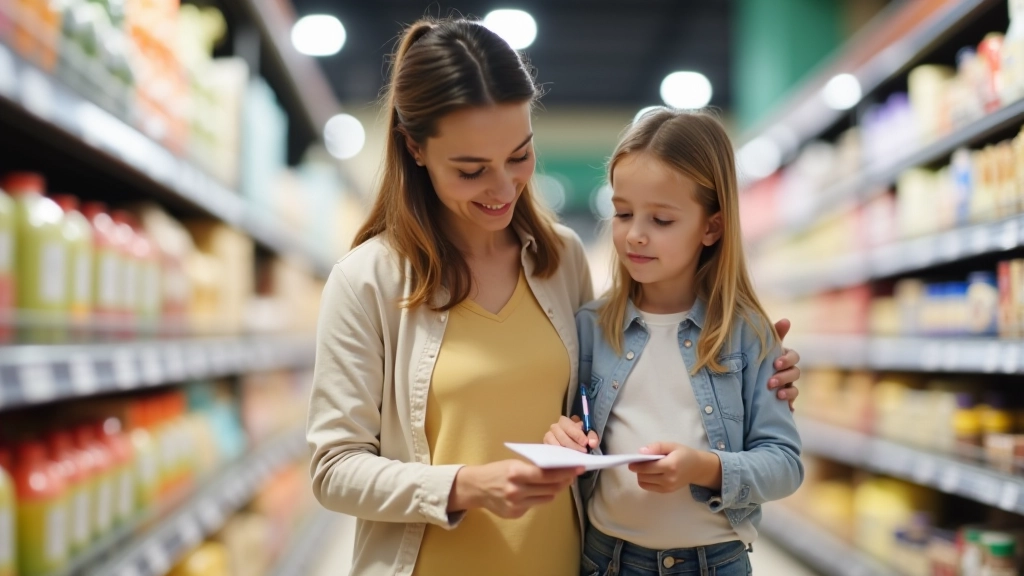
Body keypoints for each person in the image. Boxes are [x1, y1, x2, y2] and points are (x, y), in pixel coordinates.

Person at [306, 18, 802, 576]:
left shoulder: (559, 260)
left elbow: (601, 401)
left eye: (519, 156)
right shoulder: (368, 281)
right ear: (415, 149)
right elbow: (333, 469)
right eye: (471, 171)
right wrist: (466, 485)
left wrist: (753, 366)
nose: (502, 190)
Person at [544, 108, 803, 576]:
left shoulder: (745, 334)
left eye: (661, 219)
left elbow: (784, 464)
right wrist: (563, 438)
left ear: (712, 227)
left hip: (715, 562)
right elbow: (574, 426)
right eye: (622, 213)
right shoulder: (590, 326)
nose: (635, 235)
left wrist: (703, 468)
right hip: (607, 559)